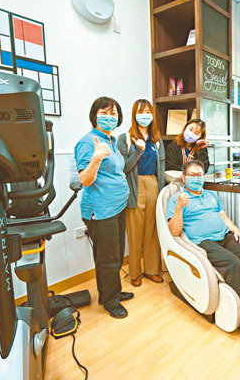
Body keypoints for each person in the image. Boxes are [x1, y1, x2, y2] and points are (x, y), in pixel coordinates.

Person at [166, 160, 240, 350]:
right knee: (233, 263)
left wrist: (236, 230)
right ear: (184, 177)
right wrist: (179, 208)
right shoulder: (176, 199)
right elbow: (174, 231)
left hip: (224, 236)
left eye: (199, 175)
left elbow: (224, 218)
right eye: (192, 175)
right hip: (203, 243)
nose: (196, 178)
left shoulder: (211, 195)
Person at [74, 97, 134, 319]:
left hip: (116, 207)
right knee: (107, 258)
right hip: (100, 211)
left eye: (113, 113)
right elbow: (85, 179)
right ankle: (110, 301)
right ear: (95, 116)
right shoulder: (88, 142)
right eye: (104, 113)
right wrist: (97, 158)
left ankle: (112, 292)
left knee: (115, 255)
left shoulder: (111, 140)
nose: (110, 117)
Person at [118, 99, 166, 287]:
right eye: (141, 112)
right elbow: (124, 167)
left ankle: (152, 270)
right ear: (134, 115)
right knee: (135, 232)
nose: (145, 115)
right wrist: (138, 151)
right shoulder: (125, 138)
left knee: (152, 231)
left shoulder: (157, 140)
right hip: (134, 185)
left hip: (153, 183)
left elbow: (161, 168)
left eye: (148, 112)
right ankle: (135, 273)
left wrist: (161, 191)